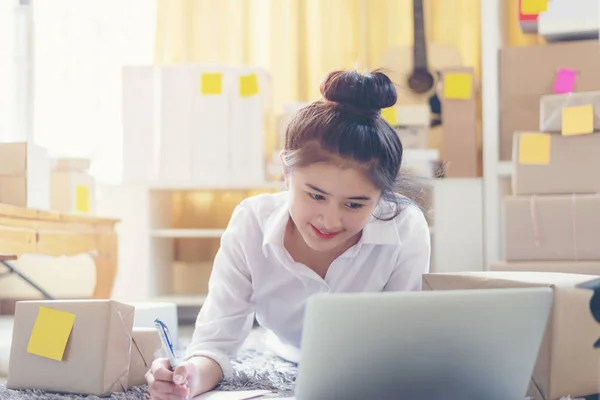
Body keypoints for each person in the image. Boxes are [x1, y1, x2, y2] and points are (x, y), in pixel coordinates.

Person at [145, 69, 432, 399]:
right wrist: (187, 378)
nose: (330, 220)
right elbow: (214, 344)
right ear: (286, 170)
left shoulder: (405, 226)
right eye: (315, 195)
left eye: (355, 204)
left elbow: (401, 345)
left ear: (382, 196)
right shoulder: (251, 223)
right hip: (287, 353)